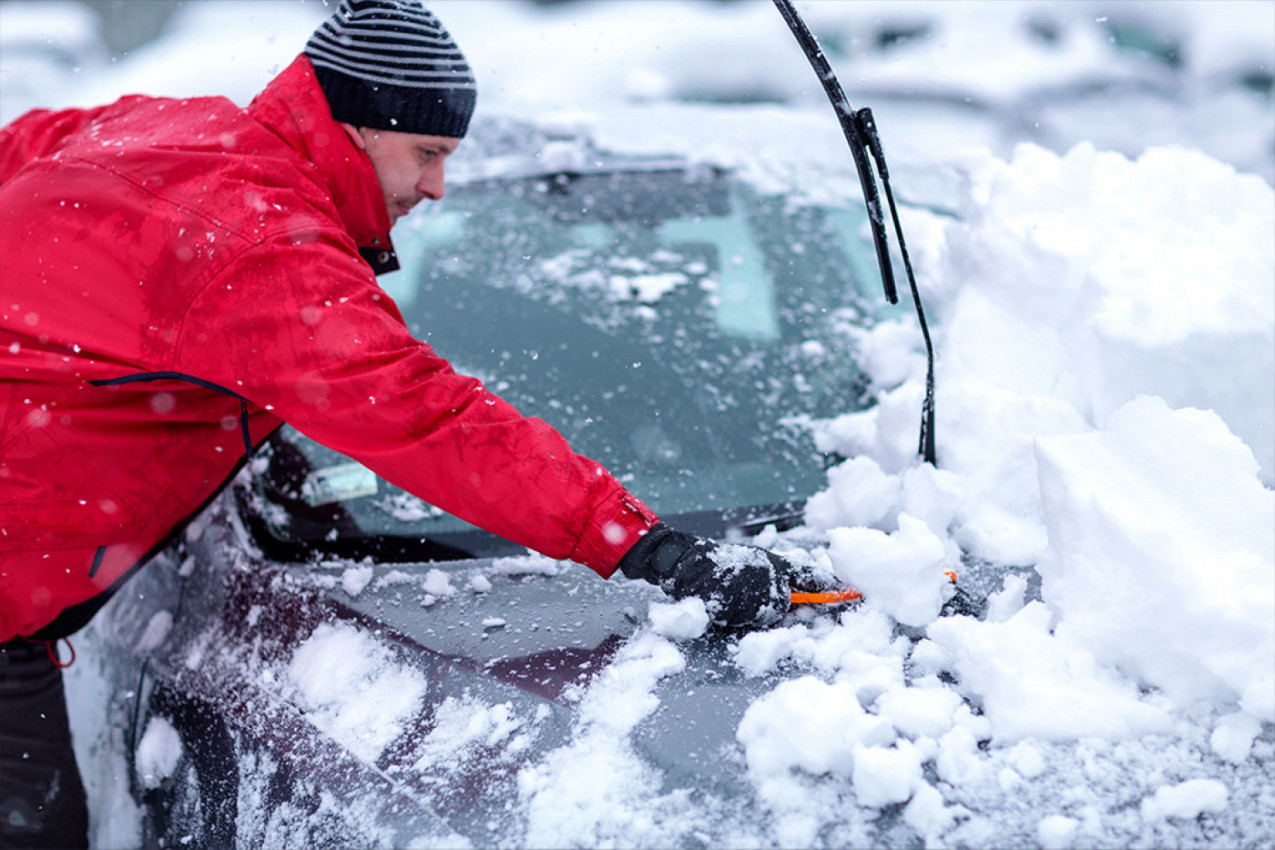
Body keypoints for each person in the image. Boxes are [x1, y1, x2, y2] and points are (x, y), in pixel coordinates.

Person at [0, 1, 833, 845]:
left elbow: (20, 143)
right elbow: (431, 420)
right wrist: (649, 547)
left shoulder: (172, 131)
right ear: (355, 129)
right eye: (427, 153)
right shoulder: (259, 249)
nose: (436, 187)